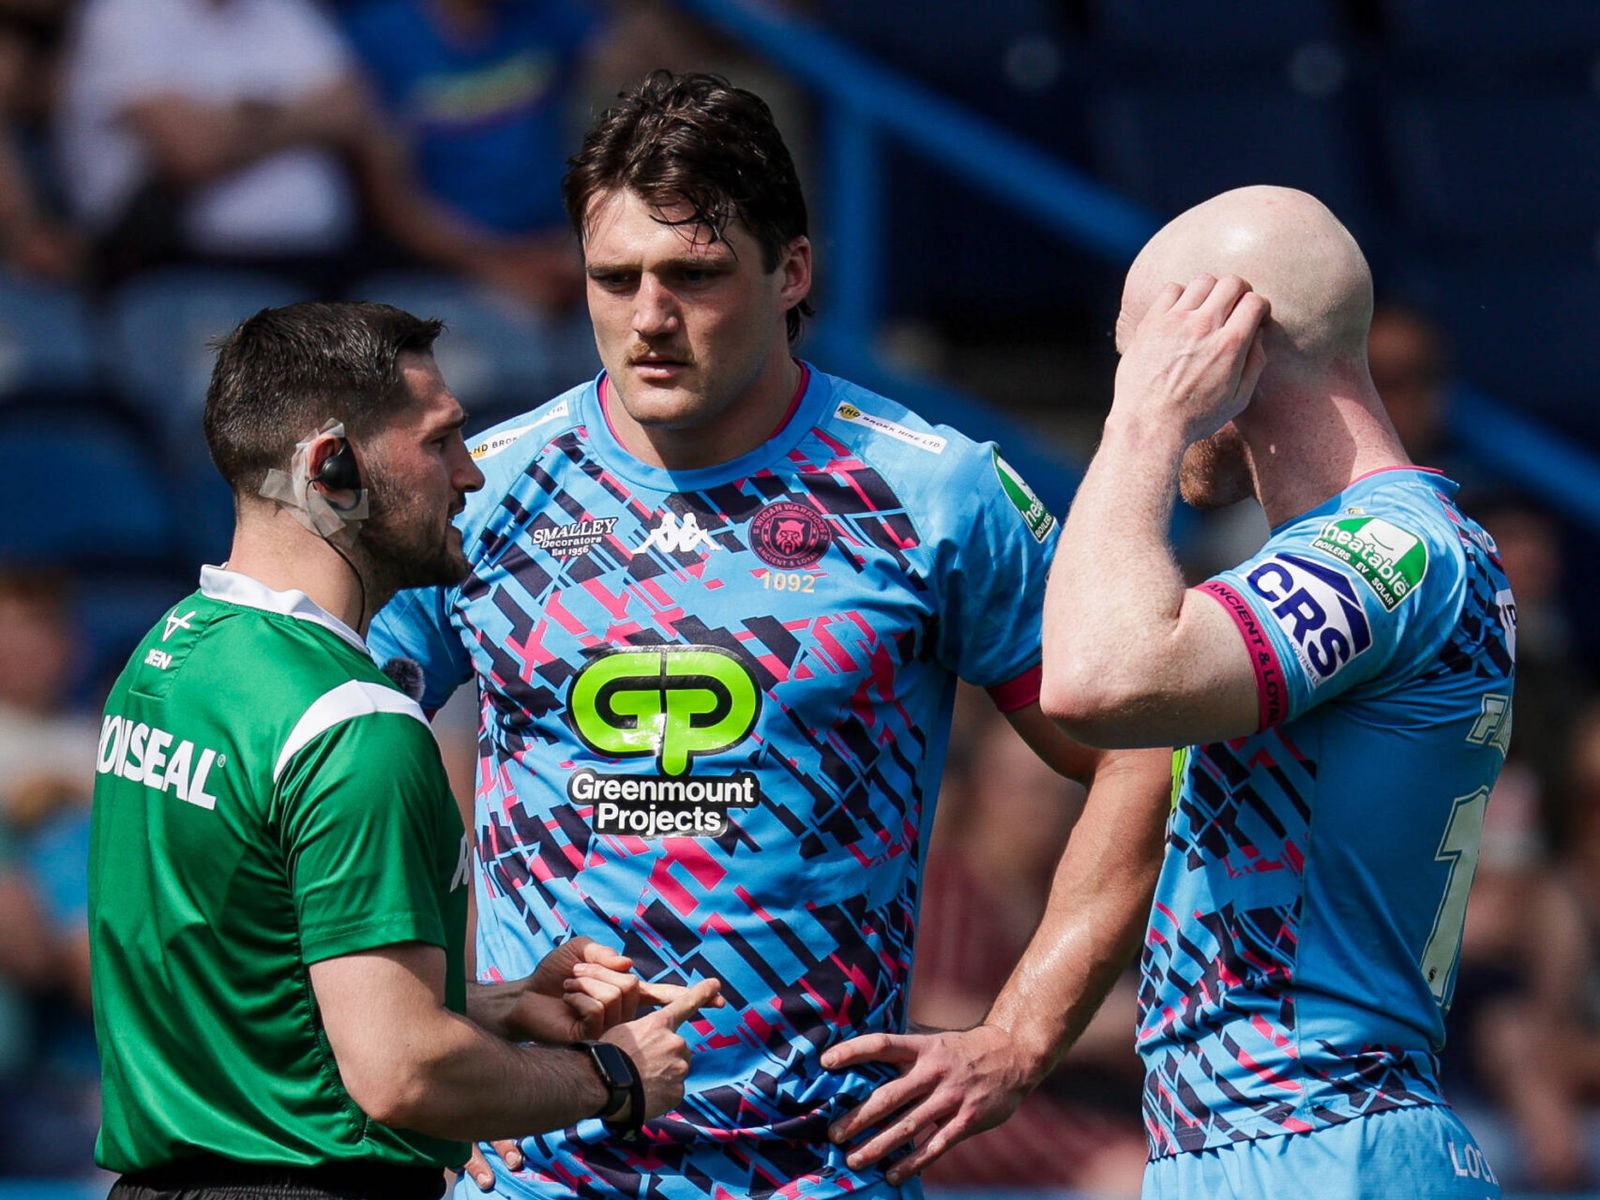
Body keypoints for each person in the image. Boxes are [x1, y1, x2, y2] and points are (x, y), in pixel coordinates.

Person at [369, 70, 1172, 1199]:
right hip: (534, 1169)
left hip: (820, 1172)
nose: (649, 317)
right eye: (616, 277)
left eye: (692, 275)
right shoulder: (488, 492)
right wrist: (446, 1009)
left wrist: (1020, 1036)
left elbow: (1141, 755)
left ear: (791, 270)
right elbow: (324, 770)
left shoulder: (932, 495)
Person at [89, 300, 721, 1200]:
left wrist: (491, 1008)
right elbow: (400, 1075)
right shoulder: (356, 727)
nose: (470, 475)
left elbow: (250, 980)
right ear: (331, 470)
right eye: (441, 443)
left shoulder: (170, 655)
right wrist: (613, 1079)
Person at [1040, 186, 1517, 1198]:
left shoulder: (1393, 549)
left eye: (1147, 353)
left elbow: (1093, 676)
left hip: (1320, 1143)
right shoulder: (1358, 557)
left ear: (1226, 348)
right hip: (1275, 1145)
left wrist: (1143, 419)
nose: (1135, 384)